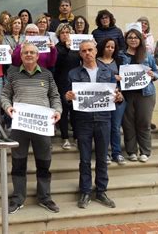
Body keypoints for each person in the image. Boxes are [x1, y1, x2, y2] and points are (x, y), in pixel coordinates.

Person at [1, 42, 62, 214]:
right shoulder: (13, 74)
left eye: (32, 53)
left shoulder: (47, 75)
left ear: (37, 56)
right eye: (25, 52)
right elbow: (5, 95)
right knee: (18, 163)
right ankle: (18, 198)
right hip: (20, 126)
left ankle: (45, 197)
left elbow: (55, 96)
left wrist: (57, 110)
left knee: (44, 162)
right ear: (21, 56)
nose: (28, 55)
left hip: (42, 126)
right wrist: (7, 107)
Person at [66, 39, 123, 209]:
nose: (87, 53)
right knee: (84, 159)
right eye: (83, 51)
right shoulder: (73, 73)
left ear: (96, 51)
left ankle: (101, 191)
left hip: (103, 119)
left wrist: (119, 98)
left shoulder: (108, 71)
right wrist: (68, 98)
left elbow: (117, 96)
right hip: (83, 121)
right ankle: (85, 191)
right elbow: (68, 99)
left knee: (102, 157)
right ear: (80, 54)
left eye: (90, 50)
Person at [121, 29, 158, 163]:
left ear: (140, 39)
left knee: (144, 123)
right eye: (130, 37)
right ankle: (131, 151)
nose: (133, 40)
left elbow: (156, 71)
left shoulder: (147, 55)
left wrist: (153, 75)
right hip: (127, 94)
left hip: (146, 94)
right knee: (128, 123)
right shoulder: (121, 55)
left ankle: (145, 152)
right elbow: (114, 70)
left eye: (135, 37)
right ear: (126, 40)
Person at [96, 38, 126, 165]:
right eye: (107, 46)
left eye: (112, 47)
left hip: (117, 97)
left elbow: (126, 79)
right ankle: (105, 153)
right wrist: (111, 76)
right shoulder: (95, 61)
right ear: (102, 47)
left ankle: (117, 153)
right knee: (104, 127)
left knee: (115, 126)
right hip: (101, 98)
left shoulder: (119, 61)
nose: (110, 49)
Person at [53, 23, 80, 150]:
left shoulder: (77, 48)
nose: (65, 35)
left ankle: (76, 136)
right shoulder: (57, 48)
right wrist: (67, 50)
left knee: (76, 111)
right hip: (61, 82)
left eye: (67, 32)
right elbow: (57, 63)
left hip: (76, 82)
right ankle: (65, 138)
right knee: (64, 111)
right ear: (59, 35)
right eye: (63, 33)